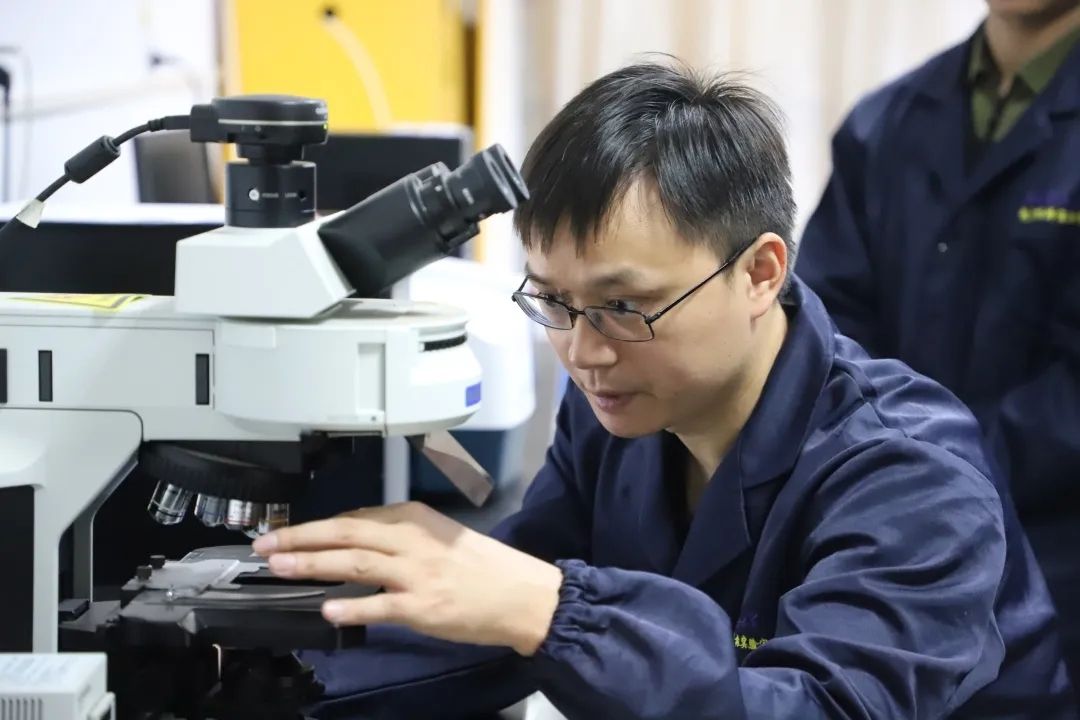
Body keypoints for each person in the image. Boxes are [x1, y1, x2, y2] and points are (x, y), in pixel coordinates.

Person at [252, 62, 1074, 719]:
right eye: (553, 301)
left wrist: (556, 610)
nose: (583, 352)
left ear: (760, 273)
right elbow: (495, 616)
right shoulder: (619, 408)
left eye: (624, 306)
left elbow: (817, 705)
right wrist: (280, 672)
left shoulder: (912, 477)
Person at [796, 0, 1080, 690]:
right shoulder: (883, 124)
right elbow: (825, 336)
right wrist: (894, 475)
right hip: (889, 545)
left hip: (1058, 566)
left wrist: (935, 474)